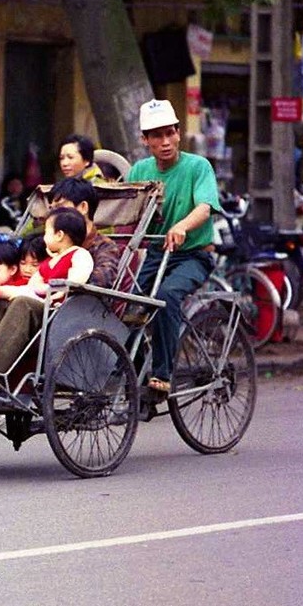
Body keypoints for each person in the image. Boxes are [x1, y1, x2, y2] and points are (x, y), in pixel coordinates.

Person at [0, 178, 120, 374]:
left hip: (70, 313)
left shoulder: (102, 248)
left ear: (82, 207)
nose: (52, 213)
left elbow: (101, 280)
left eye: (60, 206)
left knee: (22, 303)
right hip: (39, 305)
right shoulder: (50, 244)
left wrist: (60, 284)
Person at [128, 98, 220, 394]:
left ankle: (162, 374)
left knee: (166, 296)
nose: (165, 141)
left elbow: (205, 207)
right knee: (127, 303)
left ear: (179, 132)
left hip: (194, 255)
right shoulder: (139, 171)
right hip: (157, 255)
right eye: (157, 135)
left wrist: (181, 226)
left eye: (170, 133)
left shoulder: (198, 167)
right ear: (145, 140)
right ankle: (131, 374)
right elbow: (127, 213)